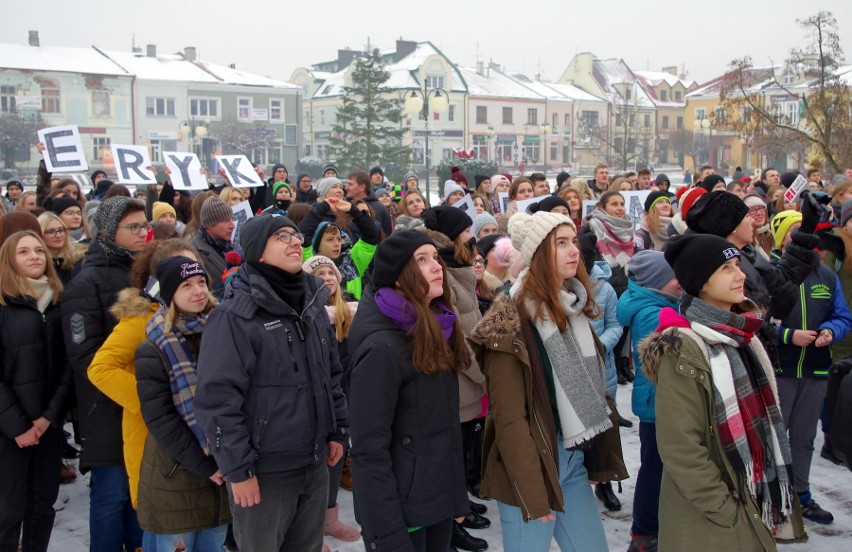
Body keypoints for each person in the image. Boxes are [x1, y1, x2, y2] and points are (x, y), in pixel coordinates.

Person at [641, 233, 807, 550]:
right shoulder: (684, 347)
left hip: (748, 496)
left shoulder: (744, 333)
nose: (741, 274)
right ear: (701, 281)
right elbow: (681, 446)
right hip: (713, 518)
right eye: (726, 268)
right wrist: (724, 508)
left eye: (737, 264)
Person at [195, 213, 348, 552]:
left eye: (296, 235)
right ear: (257, 251)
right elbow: (217, 400)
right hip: (264, 472)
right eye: (282, 236)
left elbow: (331, 374)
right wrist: (238, 470)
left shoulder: (311, 302)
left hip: (314, 461)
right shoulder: (235, 317)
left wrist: (336, 430)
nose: (296, 241)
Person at [469, 212, 621, 552]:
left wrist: (598, 455)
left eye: (574, 243)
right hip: (530, 465)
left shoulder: (572, 306)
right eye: (561, 244)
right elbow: (509, 417)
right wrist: (532, 493)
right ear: (538, 253)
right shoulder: (508, 319)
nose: (573, 251)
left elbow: (593, 391)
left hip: (570, 458)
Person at [348, 230, 470, 551]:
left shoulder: (435, 329)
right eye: (422, 260)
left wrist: (455, 498)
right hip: (400, 513)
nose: (436, 267)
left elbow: (443, 431)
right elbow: (368, 449)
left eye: (436, 258)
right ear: (399, 277)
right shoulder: (382, 348)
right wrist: (386, 533)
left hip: (435, 502)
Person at [61, 196, 149, 552]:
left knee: (138, 495)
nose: (144, 232)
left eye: (145, 225)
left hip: (142, 405)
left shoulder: (142, 271)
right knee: (112, 495)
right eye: (135, 227)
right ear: (110, 232)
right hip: (107, 409)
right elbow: (84, 356)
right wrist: (138, 392)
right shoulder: (86, 283)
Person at [87, 239, 200, 515]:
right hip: (156, 438)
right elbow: (100, 368)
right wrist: (152, 399)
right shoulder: (142, 319)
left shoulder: (202, 315)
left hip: (196, 433)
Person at [134, 256, 231, 551]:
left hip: (226, 467)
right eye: (186, 285)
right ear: (169, 295)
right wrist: (206, 464)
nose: (198, 290)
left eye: (201, 282)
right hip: (177, 473)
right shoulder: (154, 347)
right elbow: (160, 419)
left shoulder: (224, 330)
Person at [770, 211, 852, 525]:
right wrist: (789, 335)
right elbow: (759, 321)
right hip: (782, 369)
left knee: (804, 438)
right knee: (776, 438)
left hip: (816, 370)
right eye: (793, 234)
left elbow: (843, 315)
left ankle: (801, 494)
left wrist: (832, 330)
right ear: (783, 240)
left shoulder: (826, 275)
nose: (803, 241)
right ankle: (773, 498)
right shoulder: (775, 272)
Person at [421, 207, 490, 551]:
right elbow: (457, 335)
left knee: (462, 451)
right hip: (460, 376)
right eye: (465, 232)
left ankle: (459, 506)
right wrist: (483, 373)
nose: (472, 238)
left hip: (468, 376)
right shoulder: (443, 273)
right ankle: (452, 524)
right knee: (453, 455)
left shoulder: (458, 268)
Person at [0, 230, 70, 552]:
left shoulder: (56, 303)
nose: (35, 257)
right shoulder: (3, 306)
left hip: (47, 427)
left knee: (42, 507)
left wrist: (48, 418)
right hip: (9, 432)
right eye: (24, 252)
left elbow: (67, 369)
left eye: (39, 251)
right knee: (8, 511)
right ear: (9, 261)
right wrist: (19, 427)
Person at [617, 250, 682, 552]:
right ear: (657, 281)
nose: (679, 281)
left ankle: (651, 527)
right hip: (658, 404)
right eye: (673, 276)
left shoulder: (659, 303)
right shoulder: (653, 312)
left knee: (656, 466)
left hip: (655, 402)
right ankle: (643, 533)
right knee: (654, 469)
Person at [299, 198, 380, 299]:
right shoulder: (310, 262)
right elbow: (302, 236)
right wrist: (323, 207)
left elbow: (371, 237)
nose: (337, 244)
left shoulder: (352, 262)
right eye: (330, 239)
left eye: (339, 239)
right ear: (318, 244)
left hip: (350, 313)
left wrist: (352, 210)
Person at [190, 197, 235, 298]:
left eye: (232, 219)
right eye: (226, 221)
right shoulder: (194, 252)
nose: (232, 225)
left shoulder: (230, 246)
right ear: (209, 225)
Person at [37, 212, 83, 284]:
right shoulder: (38, 264)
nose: (58, 235)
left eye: (61, 230)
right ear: (40, 234)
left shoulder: (79, 258)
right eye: (51, 231)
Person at [346, 170, 392, 236]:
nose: (346, 187)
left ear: (362, 187)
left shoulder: (380, 208)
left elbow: (387, 234)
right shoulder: (344, 206)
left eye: (350, 184)